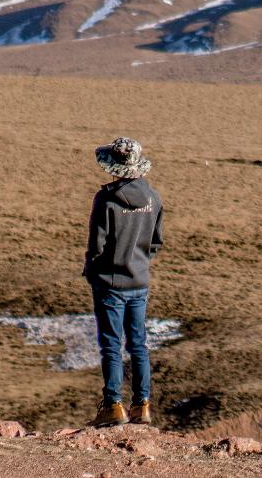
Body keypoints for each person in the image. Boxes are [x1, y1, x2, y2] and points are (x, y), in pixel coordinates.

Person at [83, 135, 163, 426]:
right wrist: (139, 262)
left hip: (110, 284)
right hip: (139, 281)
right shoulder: (154, 198)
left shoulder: (105, 199)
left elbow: (97, 246)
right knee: (139, 344)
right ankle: (142, 405)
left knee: (111, 345)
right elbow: (156, 242)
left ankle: (113, 405)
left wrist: (93, 271)